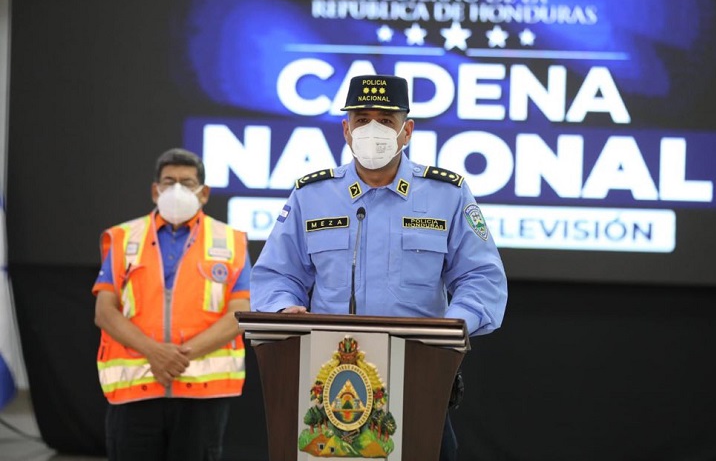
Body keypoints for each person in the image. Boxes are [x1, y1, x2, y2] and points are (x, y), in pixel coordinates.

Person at [250, 74, 508, 460]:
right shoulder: (312, 194)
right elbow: (276, 275)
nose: (373, 130)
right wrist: (284, 310)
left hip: (419, 382)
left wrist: (449, 331)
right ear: (346, 130)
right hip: (331, 389)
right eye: (362, 119)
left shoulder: (446, 194)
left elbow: (482, 279)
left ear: (407, 131)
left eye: (386, 121)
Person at [92, 148, 251, 461]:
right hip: (135, 390)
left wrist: (177, 356)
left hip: (202, 395)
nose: (177, 189)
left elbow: (239, 314)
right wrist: (154, 351)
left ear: (203, 193)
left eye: (187, 182)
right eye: (169, 182)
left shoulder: (231, 240)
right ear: (155, 190)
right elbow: (105, 311)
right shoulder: (124, 237)